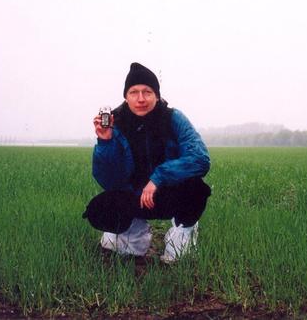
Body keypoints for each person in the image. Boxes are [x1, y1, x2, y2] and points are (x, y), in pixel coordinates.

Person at [82, 62, 211, 263]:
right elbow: (108, 181)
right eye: (134, 92)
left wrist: (158, 177)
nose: (140, 98)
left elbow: (200, 159)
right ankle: (134, 236)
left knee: (196, 190)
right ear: (126, 96)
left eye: (147, 91)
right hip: (133, 197)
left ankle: (180, 242)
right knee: (101, 207)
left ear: (156, 95)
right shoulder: (115, 123)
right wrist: (105, 141)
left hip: (167, 194)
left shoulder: (173, 118)